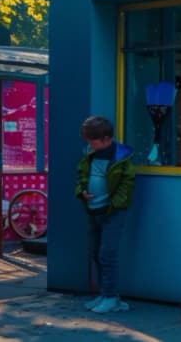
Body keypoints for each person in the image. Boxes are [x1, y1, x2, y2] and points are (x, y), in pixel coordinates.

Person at [76, 116, 136, 314]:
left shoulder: (121, 158)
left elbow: (127, 185)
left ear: (106, 138)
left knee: (107, 254)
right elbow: (81, 176)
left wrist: (113, 205)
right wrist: (81, 191)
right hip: (93, 209)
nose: (90, 145)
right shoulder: (89, 154)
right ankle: (105, 293)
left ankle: (111, 297)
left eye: (93, 142)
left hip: (112, 212)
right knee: (95, 252)